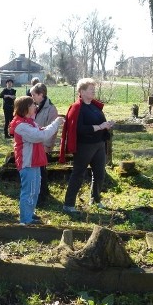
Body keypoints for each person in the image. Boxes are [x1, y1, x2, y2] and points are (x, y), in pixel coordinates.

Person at [59, 78, 114, 214]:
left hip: (99, 144)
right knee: (78, 174)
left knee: (100, 174)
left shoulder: (95, 106)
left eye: (94, 89)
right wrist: (98, 127)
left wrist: (107, 125)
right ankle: (68, 204)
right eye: (91, 89)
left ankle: (95, 199)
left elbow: (101, 122)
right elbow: (78, 129)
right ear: (82, 91)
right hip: (84, 146)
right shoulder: (77, 108)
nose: (93, 91)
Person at [9, 96, 64, 225]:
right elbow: (40, 136)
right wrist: (55, 124)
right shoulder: (21, 126)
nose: (35, 106)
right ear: (25, 108)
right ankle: (25, 220)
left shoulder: (29, 122)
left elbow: (41, 131)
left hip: (34, 161)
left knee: (35, 190)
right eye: (32, 105)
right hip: (27, 162)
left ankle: (29, 214)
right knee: (29, 191)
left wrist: (53, 124)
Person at [30, 83, 59, 204]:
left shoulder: (51, 109)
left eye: (33, 95)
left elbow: (52, 130)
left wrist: (47, 146)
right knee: (37, 171)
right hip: (35, 144)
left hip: (43, 146)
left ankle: (42, 197)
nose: (31, 97)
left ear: (41, 94)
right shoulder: (36, 106)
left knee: (41, 171)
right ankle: (41, 193)